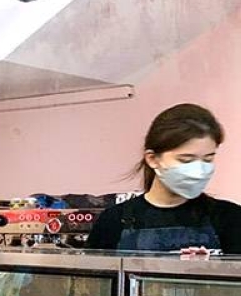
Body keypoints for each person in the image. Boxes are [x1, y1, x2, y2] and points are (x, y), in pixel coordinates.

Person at [86, 103, 241, 253]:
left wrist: (212, 269)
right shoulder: (113, 221)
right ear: (152, 159)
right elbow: (91, 279)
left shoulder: (231, 218)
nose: (199, 170)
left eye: (208, 159)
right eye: (186, 160)